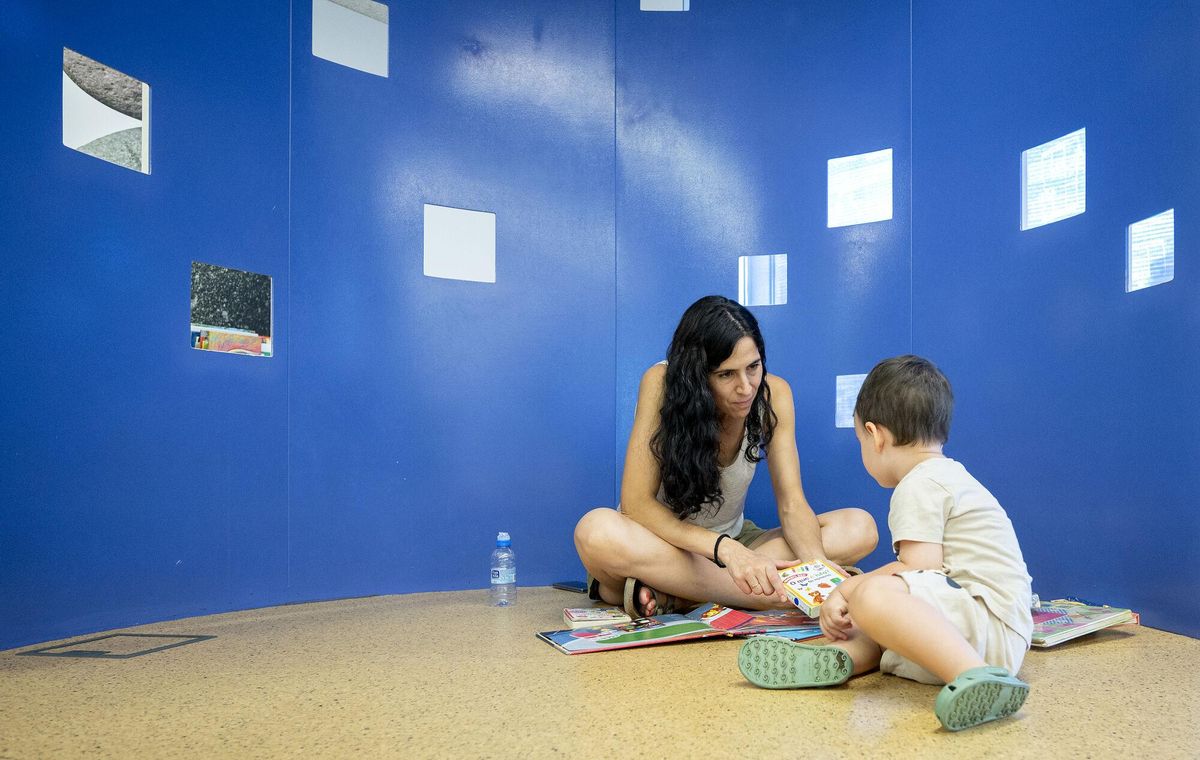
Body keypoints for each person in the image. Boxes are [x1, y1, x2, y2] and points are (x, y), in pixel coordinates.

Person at [737, 355, 1033, 732]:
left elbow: (920, 568)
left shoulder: (920, 484)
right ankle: (841, 658)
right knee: (881, 619)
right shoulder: (946, 474)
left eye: (860, 440)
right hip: (985, 627)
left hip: (987, 631)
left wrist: (849, 588)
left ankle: (978, 678)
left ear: (876, 436)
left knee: (874, 597)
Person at [573, 295, 878, 618]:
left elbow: (792, 503)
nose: (746, 387)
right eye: (726, 375)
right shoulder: (661, 384)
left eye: (753, 367)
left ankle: (676, 594)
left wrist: (817, 570)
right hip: (659, 542)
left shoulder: (774, 396)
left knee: (859, 527)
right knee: (596, 531)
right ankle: (755, 595)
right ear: (697, 377)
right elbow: (636, 505)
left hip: (737, 542)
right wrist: (725, 551)